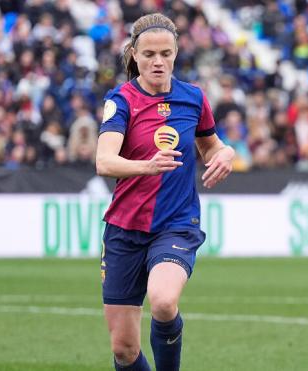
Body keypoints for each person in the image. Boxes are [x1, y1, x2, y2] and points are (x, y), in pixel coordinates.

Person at [95, 13, 235, 371]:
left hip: (176, 224)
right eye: (149, 54)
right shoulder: (121, 100)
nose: (158, 61)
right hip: (124, 230)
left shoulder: (193, 98)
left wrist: (227, 153)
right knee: (124, 349)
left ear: (175, 54)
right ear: (134, 56)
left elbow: (211, 146)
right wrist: (147, 166)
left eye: (166, 53)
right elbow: (105, 161)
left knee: (162, 301)